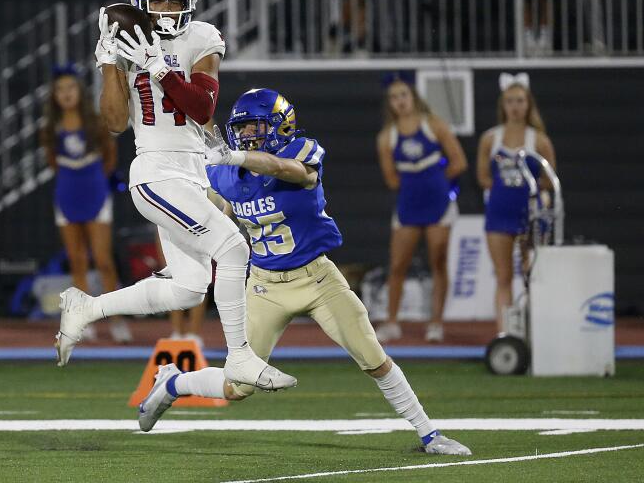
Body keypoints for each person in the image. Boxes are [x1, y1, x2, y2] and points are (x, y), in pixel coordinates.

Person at [135, 88, 471, 456]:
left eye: (255, 128)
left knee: (373, 357)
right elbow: (204, 214)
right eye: (242, 129)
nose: (247, 136)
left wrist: (237, 156)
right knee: (238, 387)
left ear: (281, 126)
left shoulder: (301, 152)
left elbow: (288, 171)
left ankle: (429, 434)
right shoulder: (227, 172)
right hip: (264, 286)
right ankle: (172, 383)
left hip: (317, 279)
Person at [54, 0, 297, 392]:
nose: (167, 10)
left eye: (174, 0)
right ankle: (240, 356)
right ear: (141, 7)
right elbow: (112, 122)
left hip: (194, 171)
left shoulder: (201, 37)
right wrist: (111, 63)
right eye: (158, 1)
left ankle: (87, 308)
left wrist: (159, 66)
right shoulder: (127, 46)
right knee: (234, 248)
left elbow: (202, 108)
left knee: (188, 288)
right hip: (155, 170)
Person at [40, 64, 132, 344]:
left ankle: (116, 319)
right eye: (60, 90)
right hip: (67, 194)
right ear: (54, 96)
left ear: (80, 91)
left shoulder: (95, 121)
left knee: (103, 260)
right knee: (77, 261)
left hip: (95, 191)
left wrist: (95, 178)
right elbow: (53, 161)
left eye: (70, 88)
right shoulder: (50, 128)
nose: (66, 94)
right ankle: (84, 318)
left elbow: (110, 155)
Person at [374, 72, 467, 343]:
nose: (400, 101)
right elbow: (391, 179)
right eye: (394, 97)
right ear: (389, 104)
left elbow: (459, 162)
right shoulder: (386, 138)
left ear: (413, 97)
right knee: (398, 264)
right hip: (408, 205)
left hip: (438, 203)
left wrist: (435, 181)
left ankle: (436, 323)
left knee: (438, 260)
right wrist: (416, 182)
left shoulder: (434, 125)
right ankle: (392, 323)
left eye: (403, 95)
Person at [477, 72, 556, 333]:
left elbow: (549, 179)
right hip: (499, 215)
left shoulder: (540, 140)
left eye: (520, 101)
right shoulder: (491, 139)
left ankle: (534, 330)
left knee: (531, 277)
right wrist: (505, 190)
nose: (515, 106)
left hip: (530, 217)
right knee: (503, 277)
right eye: (510, 101)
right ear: (503, 104)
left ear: (528, 104)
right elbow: (483, 177)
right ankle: (505, 334)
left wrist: (530, 195)